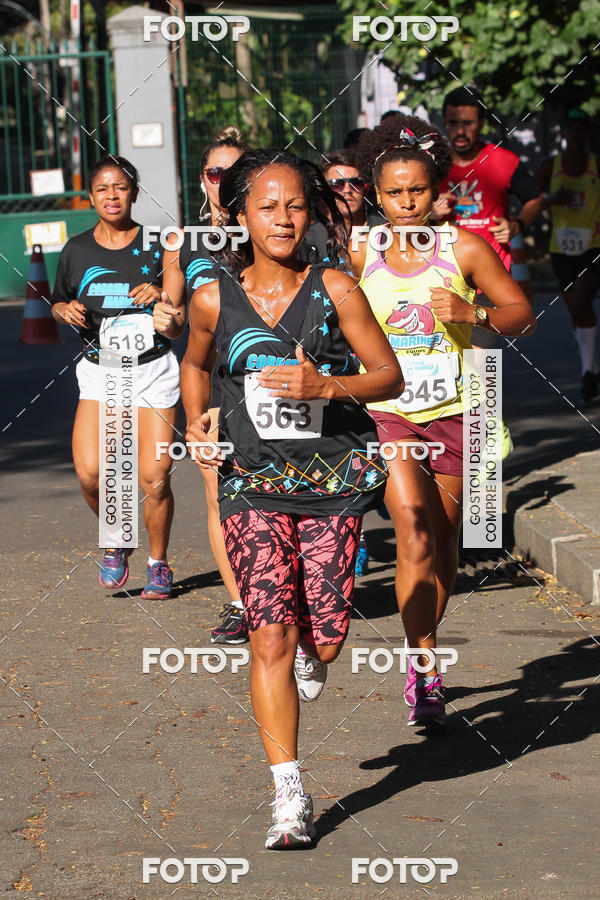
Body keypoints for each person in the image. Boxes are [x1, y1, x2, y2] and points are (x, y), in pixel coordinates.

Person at [180, 148, 402, 848]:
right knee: (268, 632)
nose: (282, 218)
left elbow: (388, 375)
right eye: (267, 205)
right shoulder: (215, 294)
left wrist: (326, 387)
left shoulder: (334, 287)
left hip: (332, 483)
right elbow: (194, 362)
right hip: (252, 483)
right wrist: (196, 421)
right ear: (239, 214)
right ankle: (289, 794)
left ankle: (315, 644)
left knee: (326, 642)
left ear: (312, 212)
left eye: (295, 204)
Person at [351, 114, 537, 726]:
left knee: (447, 546)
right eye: (394, 194)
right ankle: (422, 664)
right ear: (377, 198)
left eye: (417, 192)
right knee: (414, 533)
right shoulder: (359, 252)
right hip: (394, 415)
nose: (406, 204)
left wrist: (472, 310)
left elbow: (522, 314)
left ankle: (428, 640)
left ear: (438, 194)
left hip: (458, 412)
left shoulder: (464, 248)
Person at [51, 155, 186, 599]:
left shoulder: (158, 244)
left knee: (155, 476)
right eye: (103, 189)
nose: (112, 195)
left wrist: (162, 296)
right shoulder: (76, 249)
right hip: (100, 370)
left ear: (134, 192)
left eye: (121, 187)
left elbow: (178, 319)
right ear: (90, 197)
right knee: (92, 474)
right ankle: (117, 536)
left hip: (152, 370)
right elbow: (59, 300)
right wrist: (63, 310)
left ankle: (158, 562)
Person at [162, 126, 250, 642]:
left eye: (236, 173)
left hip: (271, 381)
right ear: (203, 180)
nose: (225, 182)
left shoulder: (271, 227)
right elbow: (174, 319)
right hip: (214, 384)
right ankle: (241, 601)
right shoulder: (185, 242)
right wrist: (166, 317)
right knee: (221, 497)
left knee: (278, 493)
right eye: (217, 173)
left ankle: (286, 590)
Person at [433, 85, 543, 457]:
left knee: (478, 361)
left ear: (481, 123)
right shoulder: (434, 164)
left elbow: (533, 198)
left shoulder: (504, 161)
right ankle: (470, 434)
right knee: (449, 366)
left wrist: (516, 225)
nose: (459, 131)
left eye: (467, 122)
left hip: (488, 278)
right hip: (442, 275)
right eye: (452, 123)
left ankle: (486, 435)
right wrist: (433, 212)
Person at [321, 148, 385, 575]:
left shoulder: (388, 233)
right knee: (347, 447)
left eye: (354, 182)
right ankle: (353, 534)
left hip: (385, 352)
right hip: (336, 356)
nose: (346, 190)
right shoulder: (314, 237)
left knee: (379, 449)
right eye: (336, 184)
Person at [537, 108, 600, 402]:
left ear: (588, 133)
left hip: (594, 246)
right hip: (561, 249)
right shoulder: (551, 166)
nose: (575, 135)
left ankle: (588, 373)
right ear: (563, 134)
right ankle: (591, 365)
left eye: (581, 129)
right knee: (576, 309)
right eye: (570, 129)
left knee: (584, 300)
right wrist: (551, 200)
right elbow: (533, 202)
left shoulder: (596, 166)